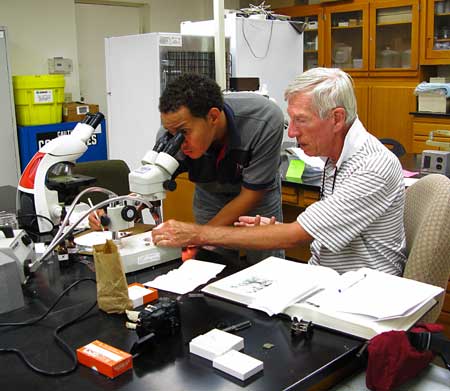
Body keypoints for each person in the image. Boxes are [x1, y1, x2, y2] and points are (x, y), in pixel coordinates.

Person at [152, 67, 407, 276]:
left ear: (337, 119)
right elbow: (320, 233)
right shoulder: (335, 159)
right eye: (291, 120)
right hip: (329, 278)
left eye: (301, 120)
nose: (292, 132)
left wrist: (196, 233)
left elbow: (295, 237)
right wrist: (267, 229)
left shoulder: (372, 167)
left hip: (363, 294)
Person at [90, 73, 285, 265]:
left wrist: (199, 235)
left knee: (267, 267)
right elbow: (152, 184)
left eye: (183, 132)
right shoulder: (170, 135)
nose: (179, 141)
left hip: (257, 199)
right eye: (172, 133)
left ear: (213, 117)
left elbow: (252, 194)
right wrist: (116, 211)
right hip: (210, 197)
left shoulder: (264, 120)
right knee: (212, 265)